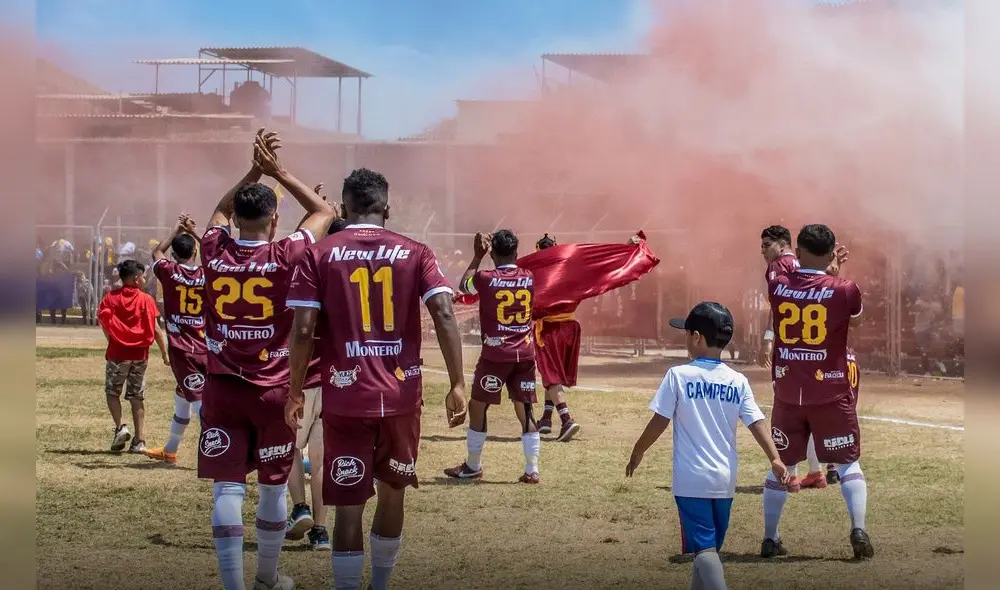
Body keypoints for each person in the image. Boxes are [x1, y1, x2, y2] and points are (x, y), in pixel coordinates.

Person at [285, 167, 468, 590]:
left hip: (346, 398)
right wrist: (458, 383)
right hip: (401, 396)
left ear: (343, 208)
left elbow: (303, 328)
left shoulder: (320, 253)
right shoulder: (416, 251)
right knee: (393, 494)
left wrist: (295, 390)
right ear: (387, 206)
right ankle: (381, 584)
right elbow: (443, 312)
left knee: (347, 507)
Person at [198, 129, 335, 590]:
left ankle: (234, 585)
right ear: (276, 220)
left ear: (236, 218)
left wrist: (255, 171)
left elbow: (217, 210)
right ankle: (265, 579)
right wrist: (279, 172)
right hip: (274, 388)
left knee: (227, 487)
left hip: (220, 385)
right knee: (274, 486)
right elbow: (324, 212)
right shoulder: (287, 253)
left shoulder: (213, 249)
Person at [627, 302, 789, 590]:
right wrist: (774, 458)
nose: (685, 338)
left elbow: (658, 421)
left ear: (698, 337)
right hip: (724, 480)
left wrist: (639, 450)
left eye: (687, 333)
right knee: (707, 549)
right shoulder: (738, 380)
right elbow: (757, 422)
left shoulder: (678, 376)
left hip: (691, 480)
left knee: (705, 552)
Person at [761, 224, 873, 560]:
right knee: (848, 461)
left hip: (789, 390)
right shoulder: (845, 289)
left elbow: (795, 285)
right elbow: (855, 321)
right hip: (831, 390)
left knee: (781, 463)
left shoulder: (778, 285)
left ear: (797, 248)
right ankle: (858, 528)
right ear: (831, 251)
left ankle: (770, 538)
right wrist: (833, 274)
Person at [526, 232, 658, 442]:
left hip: (551, 329)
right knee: (553, 375)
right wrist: (626, 249)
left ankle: (566, 419)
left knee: (550, 377)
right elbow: (602, 269)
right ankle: (546, 418)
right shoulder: (572, 270)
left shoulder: (538, 274)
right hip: (569, 328)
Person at [444, 230, 540, 483]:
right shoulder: (528, 277)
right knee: (526, 410)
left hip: (496, 355)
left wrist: (477, 256)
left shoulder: (486, 278)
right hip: (525, 354)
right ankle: (532, 470)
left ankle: (473, 465)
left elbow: (464, 285)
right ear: (516, 253)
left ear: (493, 254)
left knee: (478, 407)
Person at [285, 216, 348, 551]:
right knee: (322, 460)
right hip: (339, 380)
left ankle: (299, 507)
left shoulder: (310, 268)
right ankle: (321, 533)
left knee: (291, 448)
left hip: (306, 377)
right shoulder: (353, 275)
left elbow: (302, 329)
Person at [760, 225, 838, 488]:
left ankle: (790, 473)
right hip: (816, 348)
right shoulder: (807, 266)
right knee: (813, 410)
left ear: (783, 245)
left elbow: (778, 307)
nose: (762, 252)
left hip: (790, 349)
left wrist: (768, 339)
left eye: (766, 245)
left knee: (789, 410)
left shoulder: (779, 265)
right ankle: (816, 471)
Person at [144, 214, 206, 464]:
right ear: (196, 252)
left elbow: (157, 251)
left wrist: (177, 229)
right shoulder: (209, 273)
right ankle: (170, 449)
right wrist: (195, 232)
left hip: (185, 349)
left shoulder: (169, 271)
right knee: (183, 393)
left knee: (200, 401)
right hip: (207, 343)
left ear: (175, 256)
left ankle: (219, 451)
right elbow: (223, 258)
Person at [97, 259, 170, 453]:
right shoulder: (146, 299)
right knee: (137, 396)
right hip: (140, 355)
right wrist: (164, 353)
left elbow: (105, 323)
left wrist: (112, 341)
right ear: (136, 279)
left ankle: (121, 427)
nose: (145, 279)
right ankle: (139, 440)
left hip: (118, 354)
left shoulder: (110, 298)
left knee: (112, 392)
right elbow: (156, 330)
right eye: (144, 276)